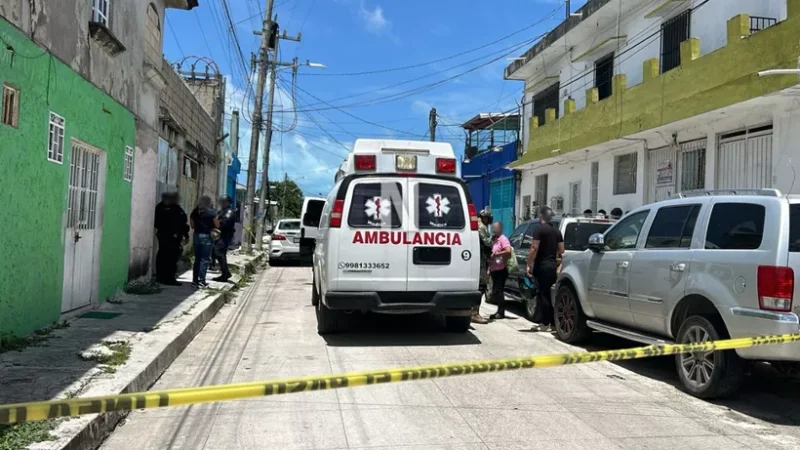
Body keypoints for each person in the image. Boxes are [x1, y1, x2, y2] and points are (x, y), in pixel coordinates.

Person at [526, 206, 564, 332]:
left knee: (543, 294)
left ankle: (545, 323)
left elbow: (534, 248)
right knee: (551, 294)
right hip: (552, 266)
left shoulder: (539, 230)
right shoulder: (557, 232)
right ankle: (553, 323)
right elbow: (561, 251)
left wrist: (529, 264)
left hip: (541, 266)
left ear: (541, 216)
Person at [154, 192, 189, 286]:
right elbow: (158, 223)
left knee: (172, 257)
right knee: (165, 256)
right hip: (166, 236)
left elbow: (182, 221)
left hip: (176, 236)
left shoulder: (175, 208)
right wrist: (171, 231)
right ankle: (165, 277)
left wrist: (185, 233)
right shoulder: (161, 208)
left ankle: (168, 277)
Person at [189, 195, 220, 289]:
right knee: (205, 259)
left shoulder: (194, 212)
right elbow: (217, 225)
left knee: (197, 258)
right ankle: (202, 281)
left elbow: (192, 226)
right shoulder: (212, 212)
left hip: (197, 236)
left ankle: (195, 281)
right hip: (207, 236)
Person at [488, 221, 512, 320]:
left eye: (496, 228)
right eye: (493, 228)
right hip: (494, 269)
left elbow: (508, 251)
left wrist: (497, 254)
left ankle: (501, 312)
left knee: (499, 291)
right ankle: (499, 311)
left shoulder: (503, 239)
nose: (494, 230)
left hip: (501, 269)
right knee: (495, 291)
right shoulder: (494, 239)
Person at [472, 209, 492, 325]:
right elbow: (488, 243)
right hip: (480, 260)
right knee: (481, 286)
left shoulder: (477, 224)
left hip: (479, 259)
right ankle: (474, 313)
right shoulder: (481, 227)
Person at [213, 195, 236, 282]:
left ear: (228, 202)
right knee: (219, 253)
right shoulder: (222, 211)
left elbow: (224, 222)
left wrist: (217, 223)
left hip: (225, 236)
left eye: (223, 201)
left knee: (219, 252)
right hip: (220, 235)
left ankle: (225, 273)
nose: (221, 203)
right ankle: (225, 273)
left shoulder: (229, 211)